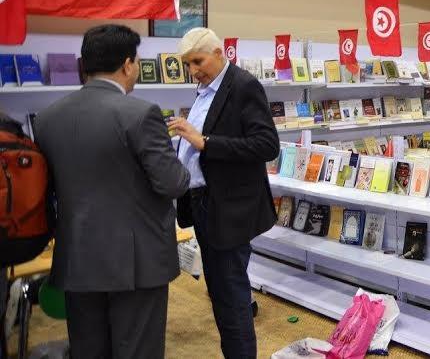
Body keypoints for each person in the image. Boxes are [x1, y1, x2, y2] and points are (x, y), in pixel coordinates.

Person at [34, 25, 190, 358]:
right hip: (136, 262)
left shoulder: (46, 119)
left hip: (76, 256)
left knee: (88, 349)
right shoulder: (141, 114)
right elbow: (173, 182)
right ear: (128, 65)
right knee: (138, 350)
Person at [169, 27, 279, 359]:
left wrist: (204, 142)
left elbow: (266, 145)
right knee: (220, 291)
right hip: (205, 203)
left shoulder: (244, 86)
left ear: (219, 53)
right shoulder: (205, 90)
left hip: (229, 209)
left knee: (230, 296)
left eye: (198, 62)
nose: (193, 71)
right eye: (188, 64)